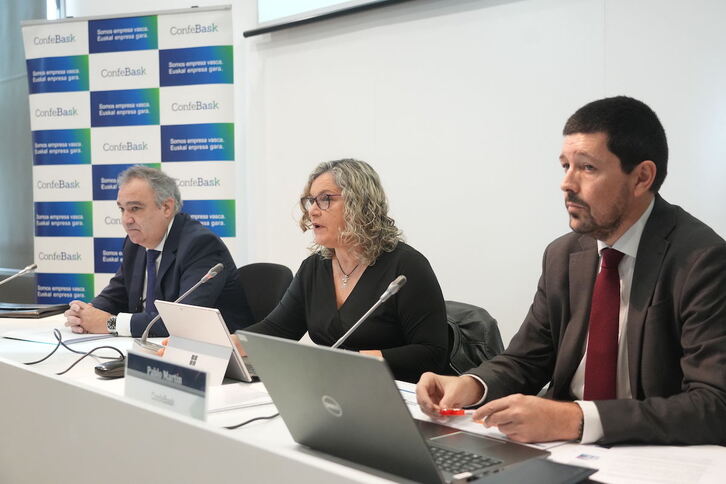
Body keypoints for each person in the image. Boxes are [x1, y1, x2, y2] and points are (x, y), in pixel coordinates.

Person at [416, 96, 726, 446]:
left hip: (647, 454)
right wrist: (470, 385)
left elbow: (715, 404)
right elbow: (526, 360)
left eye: (587, 168)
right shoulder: (563, 254)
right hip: (563, 452)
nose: (567, 183)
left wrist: (576, 419)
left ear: (641, 177)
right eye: (565, 166)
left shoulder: (702, 259)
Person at [241, 159, 449, 383]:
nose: (312, 211)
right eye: (311, 200)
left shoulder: (406, 267)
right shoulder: (314, 267)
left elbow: (432, 353)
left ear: (359, 203)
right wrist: (228, 343)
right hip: (334, 390)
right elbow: (276, 329)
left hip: (394, 393)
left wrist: (354, 361)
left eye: (325, 199)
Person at [63, 165, 254, 337]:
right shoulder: (135, 244)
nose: (126, 219)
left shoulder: (201, 245)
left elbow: (183, 321)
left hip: (220, 359)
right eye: (122, 209)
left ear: (166, 207)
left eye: (135, 208)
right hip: (154, 348)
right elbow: (116, 294)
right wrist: (85, 313)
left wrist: (110, 323)